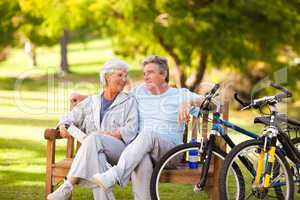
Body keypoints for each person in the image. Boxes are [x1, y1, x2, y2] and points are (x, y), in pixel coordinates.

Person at [91, 55, 217, 200]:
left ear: (163, 74)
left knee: (147, 135)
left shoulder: (180, 95)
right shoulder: (138, 93)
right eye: (144, 73)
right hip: (143, 151)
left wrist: (190, 102)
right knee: (142, 159)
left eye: (150, 72)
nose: (146, 77)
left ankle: (115, 175)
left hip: (171, 153)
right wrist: (82, 98)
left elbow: (214, 105)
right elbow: (111, 97)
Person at [47, 59, 139, 200]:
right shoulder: (92, 102)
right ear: (107, 77)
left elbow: (131, 130)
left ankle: (67, 186)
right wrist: (62, 125)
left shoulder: (129, 101)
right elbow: (68, 117)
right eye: (120, 75)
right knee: (97, 159)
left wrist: (105, 135)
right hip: (94, 152)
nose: (124, 79)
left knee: (94, 138)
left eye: (126, 76)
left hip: (120, 152)